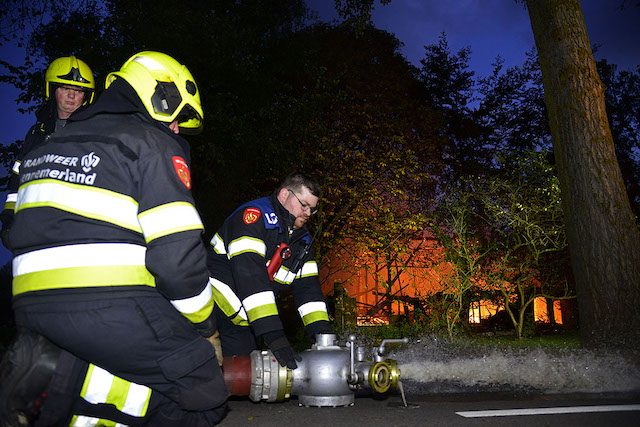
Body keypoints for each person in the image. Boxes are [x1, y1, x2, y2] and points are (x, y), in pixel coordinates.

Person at [0, 51, 228, 426]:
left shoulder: (44, 147)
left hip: (29, 306)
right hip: (107, 301)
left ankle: (57, 380)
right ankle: (66, 374)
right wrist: (206, 328)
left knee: (116, 372)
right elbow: (177, 264)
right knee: (205, 393)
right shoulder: (152, 144)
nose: (176, 130)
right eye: (177, 118)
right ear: (161, 95)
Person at [207, 172, 332, 369]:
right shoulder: (252, 218)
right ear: (284, 195)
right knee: (193, 375)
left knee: (237, 378)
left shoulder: (302, 241)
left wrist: (324, 338)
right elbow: (251, 277)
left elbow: (309, 291)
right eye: (303, 205)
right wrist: (273, 334)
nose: (308, 214)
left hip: (242, 322)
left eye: (312, 210)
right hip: (207, 311)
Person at [0, 56, 95, 251]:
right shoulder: (37, 133)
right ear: (52, 91)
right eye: (65, 89)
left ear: (86, 96)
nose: (71, 96)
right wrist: (9, 220)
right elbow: (18, 177)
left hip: (80, 226)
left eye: (78, 91)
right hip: (36, 225)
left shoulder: (95, 131)